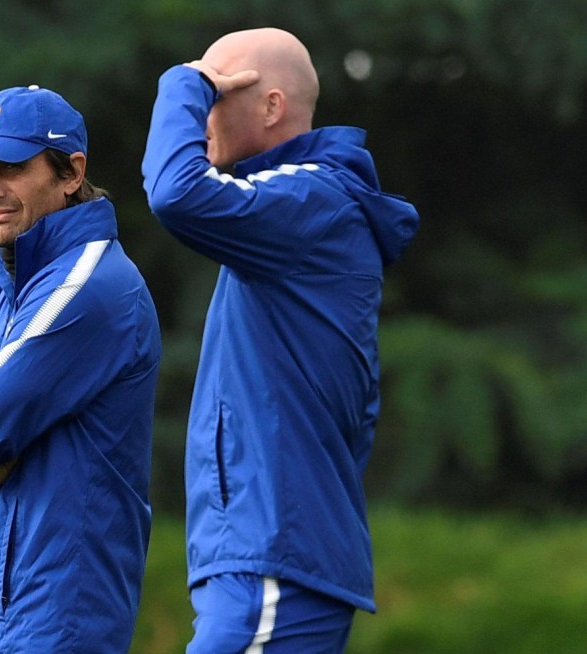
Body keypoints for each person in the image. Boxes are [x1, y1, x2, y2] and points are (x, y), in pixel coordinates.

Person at [142, 28, 419, 653]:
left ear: (270, 107)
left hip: (274, 558)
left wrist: (180, 83)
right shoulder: (288, 210)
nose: (203, 108)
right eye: (204, 91)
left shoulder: (309, 201)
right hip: (262, 558)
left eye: (218, 90)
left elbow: (175, 193)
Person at [0, 85, 161, 653]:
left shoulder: (89, 287)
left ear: (72, 173)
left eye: (10, 168)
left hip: (48, 629)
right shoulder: (10, 294)